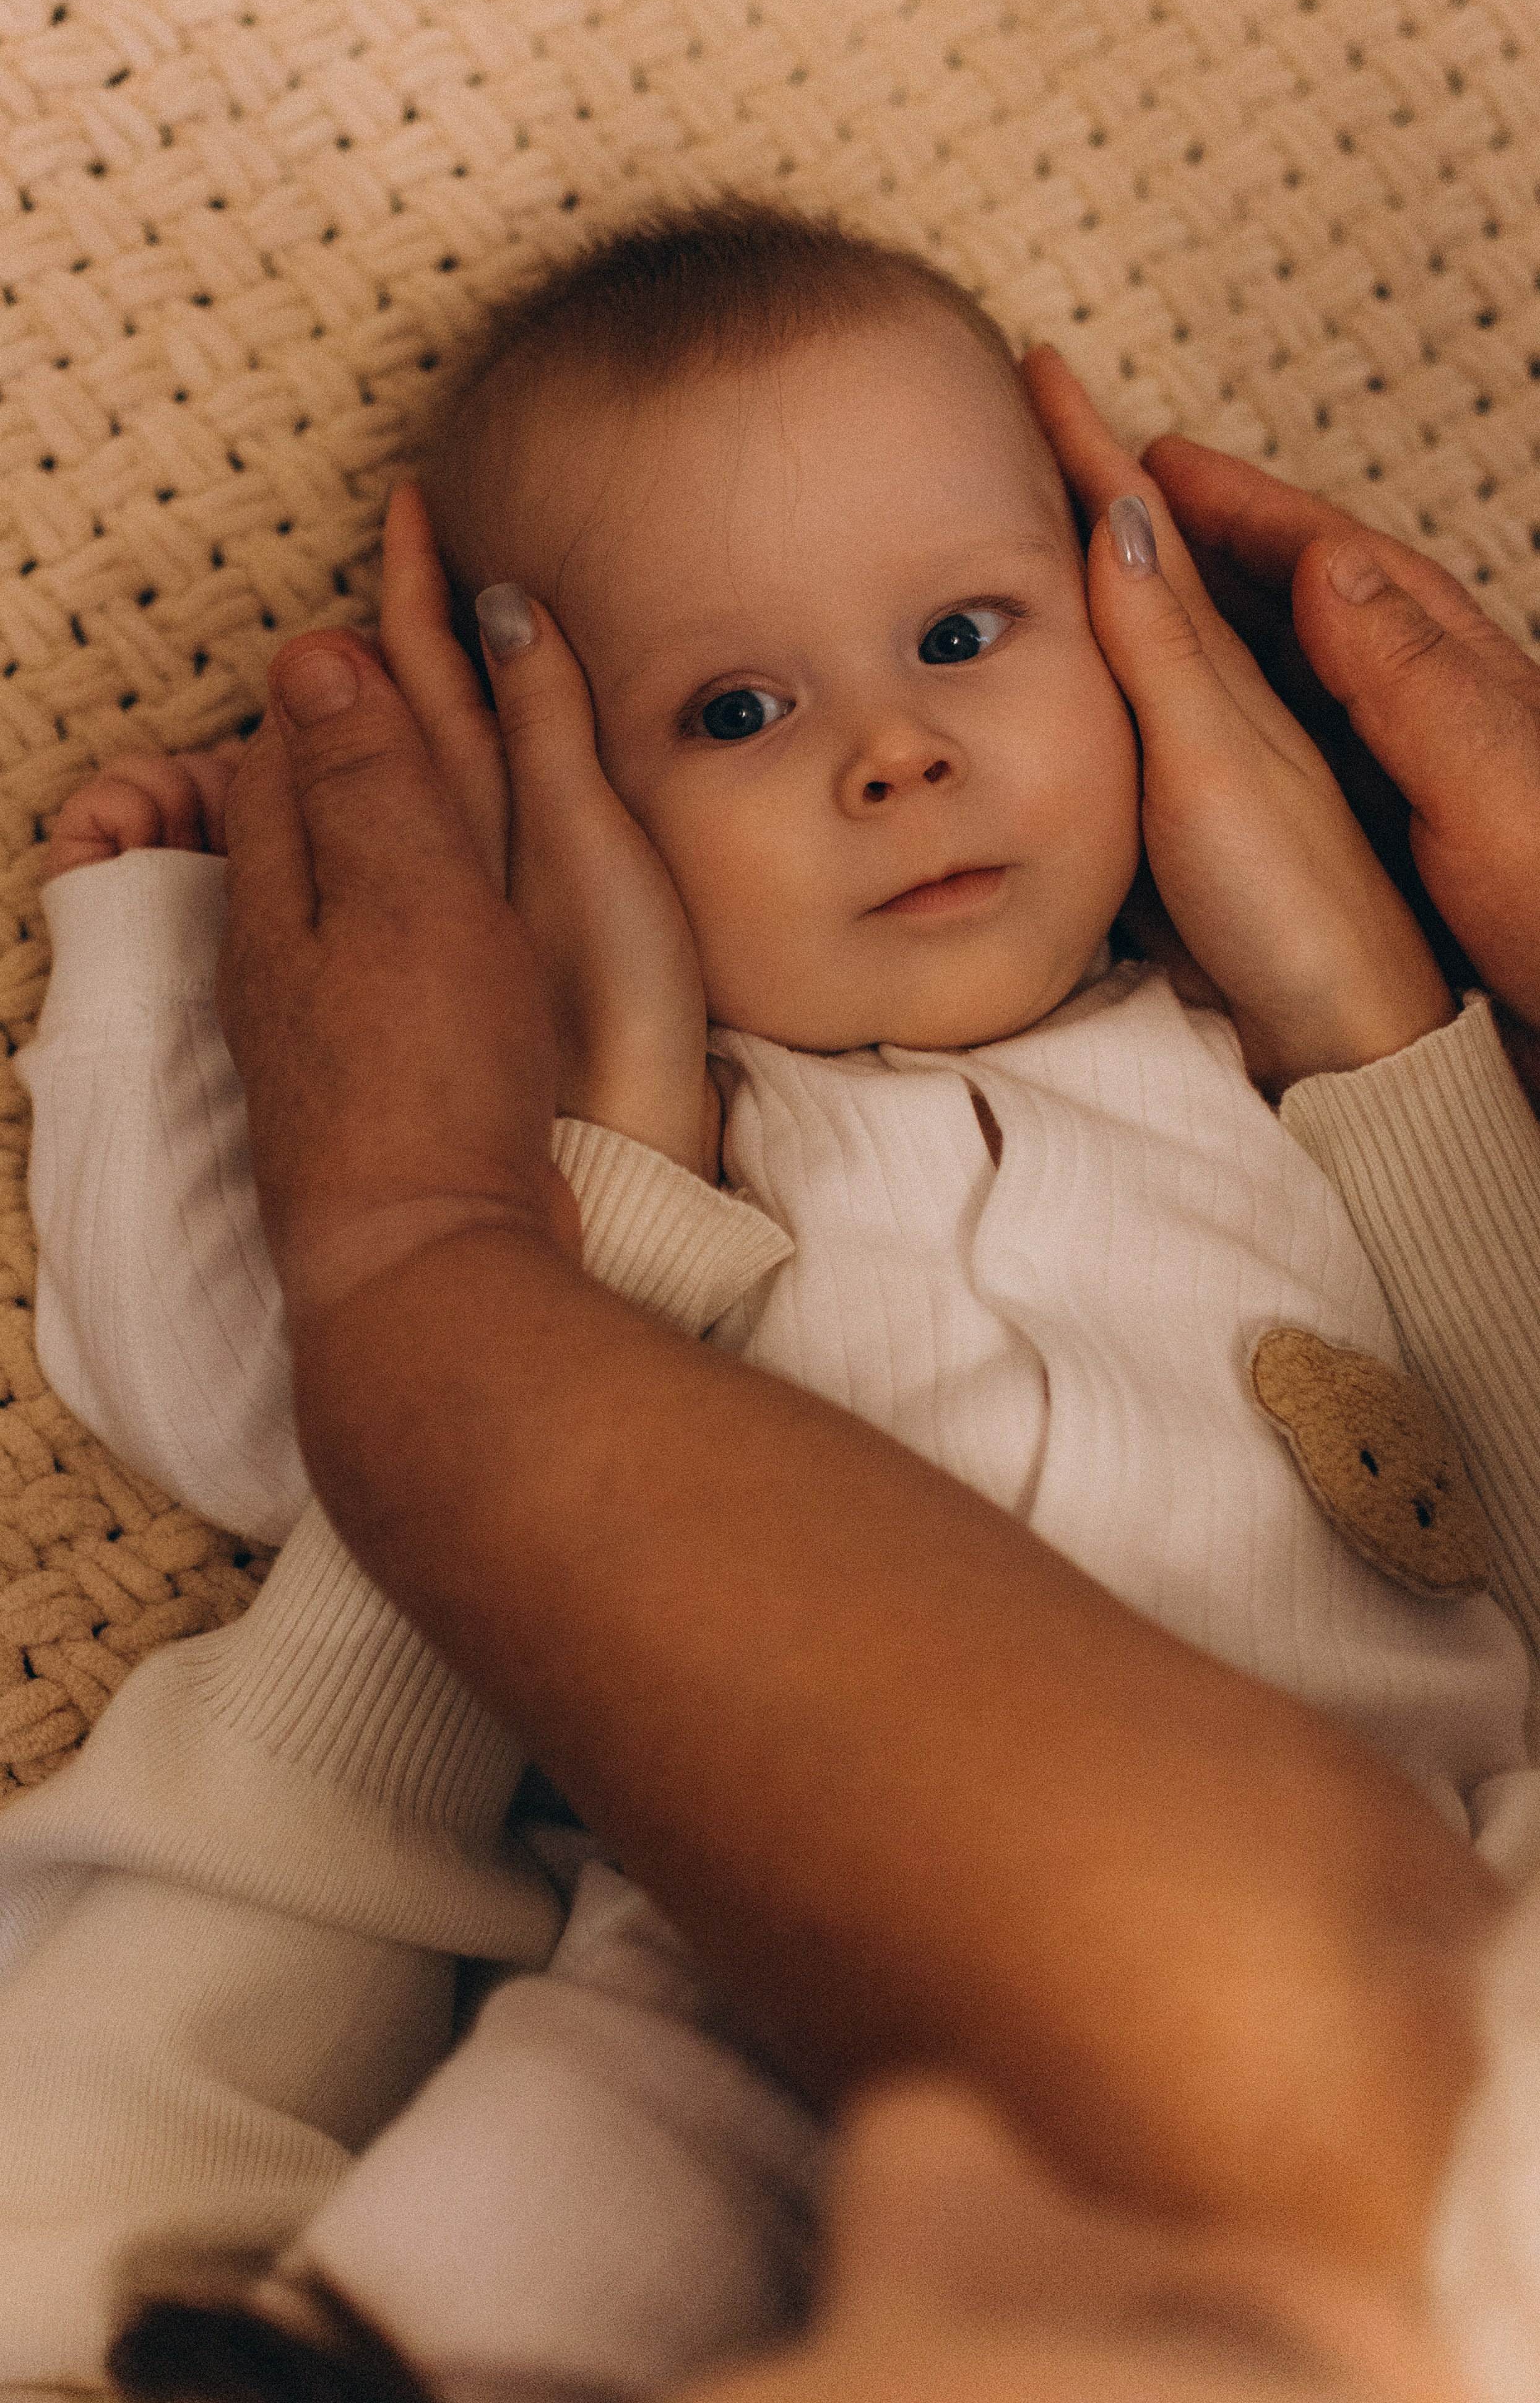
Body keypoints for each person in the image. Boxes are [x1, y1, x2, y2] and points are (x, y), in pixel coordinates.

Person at [4, 202, 1538, 2398]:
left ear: (1139, 632)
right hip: (738, 1963)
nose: (891, 755)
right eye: (735, 707)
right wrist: (163, 951)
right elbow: (265, 1413)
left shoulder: (1255, 1062)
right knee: (552, 2175)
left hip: (1413, 1878)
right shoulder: (628, 1147)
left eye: (963, 632)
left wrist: (1387, 1049)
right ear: (559, 804)